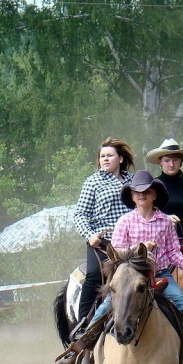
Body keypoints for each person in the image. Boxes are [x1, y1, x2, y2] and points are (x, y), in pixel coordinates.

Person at [54, 170, 183, 364]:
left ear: (154, 195)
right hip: (130, 275)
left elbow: (173, 252)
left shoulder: (164, 222)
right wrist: (138, 248)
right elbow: (115, 252)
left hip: (159, 274)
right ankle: (78, 351)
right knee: (106, 306)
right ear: (132, 197)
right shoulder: (125, 221)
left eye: (146, 192)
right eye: (137, 192)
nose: (141, 195)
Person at [72, 137, 135, 333]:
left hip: (132, 239)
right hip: (103, 240)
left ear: (121, 159)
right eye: (102, 156)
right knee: (93, 276)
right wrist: (90, 235)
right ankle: (82, 326)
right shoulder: (93, 182)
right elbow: (79, 214)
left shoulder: (133, 181)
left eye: (110, 155)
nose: (105, 159)